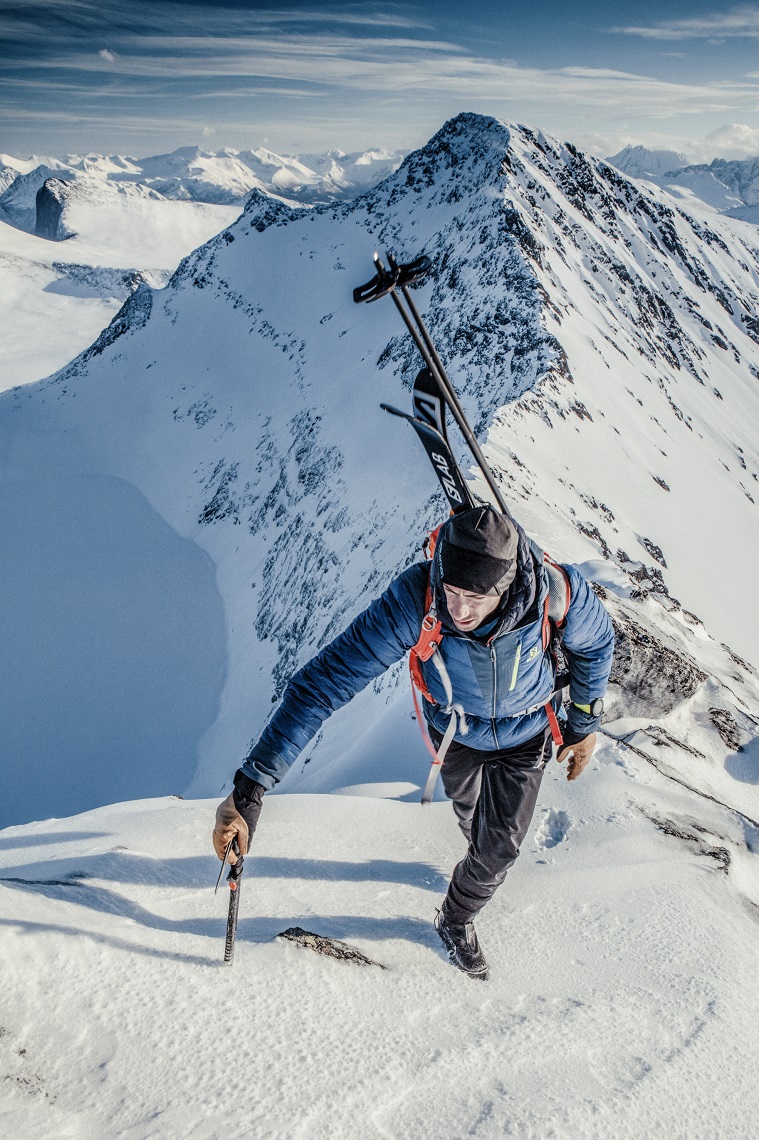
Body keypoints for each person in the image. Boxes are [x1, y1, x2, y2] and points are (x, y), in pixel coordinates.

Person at [213, 505, 614, 979]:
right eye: (453, 591)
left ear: (505, 589)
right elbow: (324, 683)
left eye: (476, 597)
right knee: (470, 815)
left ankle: (456, 918)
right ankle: (476, 854)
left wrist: (584, 725)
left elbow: (596, 644)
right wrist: (250, 789)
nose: (460, 610)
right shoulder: (418, 598)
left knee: (499, 847)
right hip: (456, 731)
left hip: (527, 733)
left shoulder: (555, 593)